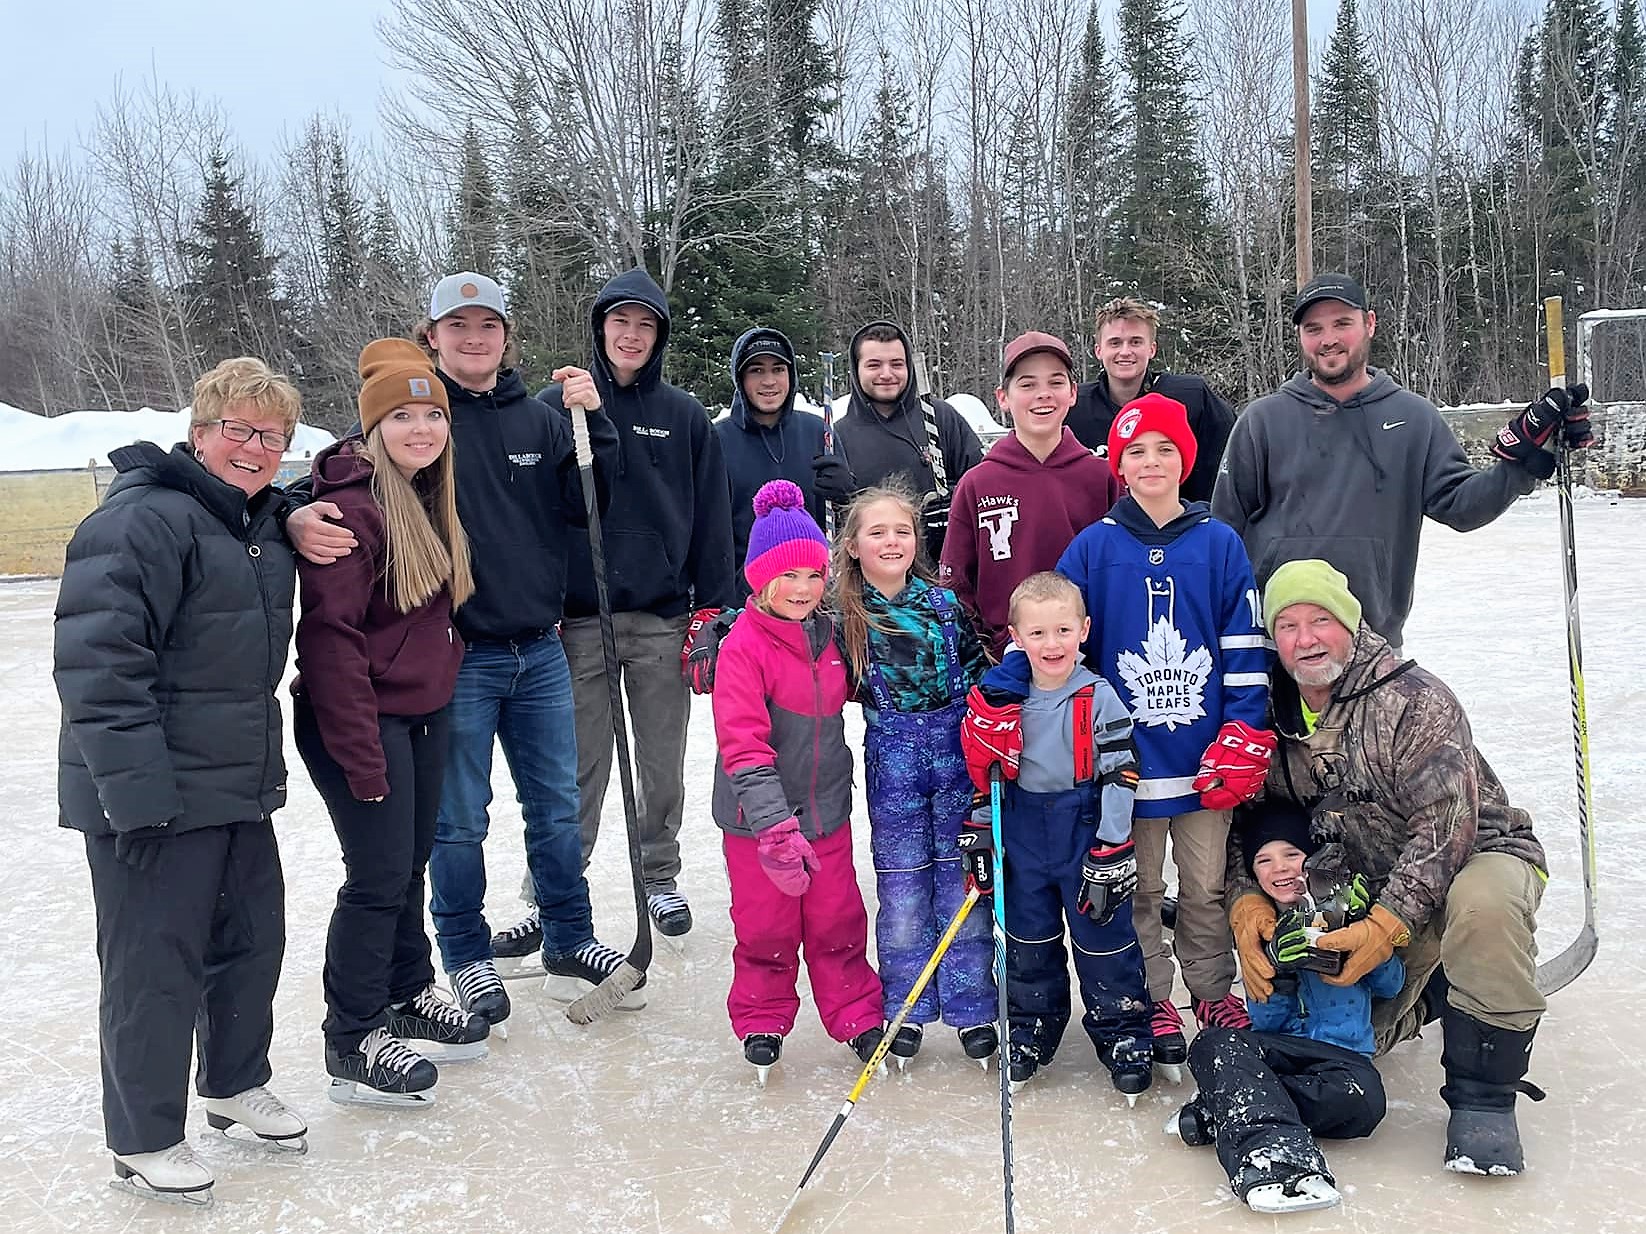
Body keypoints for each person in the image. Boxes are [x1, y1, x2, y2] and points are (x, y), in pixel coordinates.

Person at [286, 271, 624, 1024]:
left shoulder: (539, 420)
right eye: (458, 326)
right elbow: (339, 473)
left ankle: (570, 934)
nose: (474, 339)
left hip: (539, 649)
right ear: (431, 335)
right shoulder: (417, 416)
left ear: (507, 337)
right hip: (457, 656)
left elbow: (589, 504)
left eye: (488, 326)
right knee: (457, 820)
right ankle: (467, 955)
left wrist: (592, 425)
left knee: (557, 808)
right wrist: (292, 515)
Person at [54, 357, 307, 1206]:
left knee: (249, 943)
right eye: (238, 429)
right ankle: (143, 1136)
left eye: (271, 435)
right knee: (151, 967)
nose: (255, 447)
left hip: (235, 781)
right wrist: (136, 798)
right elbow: (98, 666)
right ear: (200, 433)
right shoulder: (140, 521)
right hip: (150, 793)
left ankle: (234, 1085)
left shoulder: (256, 521)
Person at [1229, 559, 1549, 1176]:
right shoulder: (1267, 709)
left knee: (1484, 912)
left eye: (1321, 620)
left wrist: (1385, 925)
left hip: (1474, 856)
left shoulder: (1415, 699)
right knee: (1347, 1041)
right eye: (1288, 625)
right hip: (1356, 879)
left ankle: (1484, 1099)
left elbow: (1445, 827)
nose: (1306, 639)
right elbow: (1251, 819)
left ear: (1351, 623)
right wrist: (1246, 900)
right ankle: (1430, 993)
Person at [292, 339, 489, 1107]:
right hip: (359, 721)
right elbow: (330, 640)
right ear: (373, 428)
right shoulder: (353, 513)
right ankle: (352, 1036)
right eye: (401, 416)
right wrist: (360, 754)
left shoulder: (426, 496)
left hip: (420, 713)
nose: (420, 429)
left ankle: (408, 991)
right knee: (374, 879)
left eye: (431, 415)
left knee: (407, 867)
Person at [1053, 391, 1271, 1074]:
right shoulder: (1093, 547)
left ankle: (1209, 992)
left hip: (1206, 761)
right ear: (1118, 464)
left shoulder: (1219, 543)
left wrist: (1245, 730)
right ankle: (1153, 1000)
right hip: (1130, 766)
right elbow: (1056, 639)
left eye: (1165, 450)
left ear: (1186, 459)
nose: (1151, 462)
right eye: (1137, 451)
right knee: (1141, 891)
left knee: (1203, 890)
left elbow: (1243, 645)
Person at [1212, 272, 1596, 650]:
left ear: (1369, 324)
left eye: (1342, 323)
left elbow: (1461, 507)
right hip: (1277, 643)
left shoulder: (1414, 418)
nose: (1328, 340)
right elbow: (1224, 533)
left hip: (1372, 643)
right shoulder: (1262, 420)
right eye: (1314, 329)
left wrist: (1523, 461)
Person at [542, 268, 738, 945]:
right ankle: (558, 885)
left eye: (645, 324)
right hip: (579, 621)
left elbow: (713, 516)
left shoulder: (683, 416)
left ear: (658, 337)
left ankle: (659, 873)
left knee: (661, 760)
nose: (631, 334)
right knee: (578, 765)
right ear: (600, 328)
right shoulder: (558, 406)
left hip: (661, 620)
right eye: (620, 321)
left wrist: (712, 611)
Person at [711, 480, 885, 1081]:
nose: (803, 590)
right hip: (758, 823)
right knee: (766, 925)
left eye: (814, 575)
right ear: (760, 579)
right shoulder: (743, 647)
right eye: (788, 577)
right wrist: (773, 829)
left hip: (828, 813)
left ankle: (858, 1015)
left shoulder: (833, 634)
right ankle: (762, 1015)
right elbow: (743, 743)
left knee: (838, 919)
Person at [958, 572, 1152, 1099]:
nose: (1052, 644)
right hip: (1021, 831)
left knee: (1104, 939)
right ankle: (1030, 1028)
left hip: (1083, 828)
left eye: (1063, 631)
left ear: (1084, 630)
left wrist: (1112, 845)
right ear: (1015, 637)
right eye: (1038, 633)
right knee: (1028, 939)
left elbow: (1119, 775)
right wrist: (980, 827)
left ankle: (1123, 1032)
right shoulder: (999, 698)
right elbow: (984, 770)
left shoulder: (1098, 697)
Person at [831, 485, 996, 1070]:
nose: (891, 541)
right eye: (876, 533)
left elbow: (982, 675)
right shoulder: (842, 614)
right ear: (852, 546)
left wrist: (998, 724)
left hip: (954, 749)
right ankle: (906, 1007)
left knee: (963, 882)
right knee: (902, 887)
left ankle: (974, 1006)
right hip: (893, 754)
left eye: (901, 531)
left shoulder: (944, 604)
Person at [1169, 798, 1400, 1214]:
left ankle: (1227, 1105)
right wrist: (1279, 969)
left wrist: (1363, 939)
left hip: (1341, 1060)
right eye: (1265, 860)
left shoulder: (1344, 914)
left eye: (1292, 855)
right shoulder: (1262, 929)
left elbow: (1391, 986)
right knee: (1212, 1044)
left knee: (1365, 1101)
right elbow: (1266, 1021)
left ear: (1312, 861)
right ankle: (1272, 1155)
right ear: (1254, 874)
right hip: (1280, 1053)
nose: (1280, 868)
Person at [939, 331, 1120, 655]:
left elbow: (1119, 573)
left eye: (1055, 382)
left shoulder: (1101, 477)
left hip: (1087, 665)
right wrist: (987, 653)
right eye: (1027, 384)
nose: (1043, 395)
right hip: (1004, 667)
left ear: (1072, 393)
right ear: (1003, 398)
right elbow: (957, 587)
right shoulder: (977, 483)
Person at [809, 320, 983, 562]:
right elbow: (825, 529)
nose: (887, 374)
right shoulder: (836, 438)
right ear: (856, 370)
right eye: (874, 365)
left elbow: (983, 485)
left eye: (896, 364)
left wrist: (954, 501)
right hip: (869, 580)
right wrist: (846, 501)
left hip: (940, 574)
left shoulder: (939, 417)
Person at [1067, 297, 1235, 502]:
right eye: (1115, 343)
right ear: (1098, 351)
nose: (1125, 351)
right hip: (1101, 528)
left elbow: (1227, 462)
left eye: (1136, 342)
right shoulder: (1074, 406)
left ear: (1152, 349)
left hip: (1177, 525)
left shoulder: (1191, 397)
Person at [715, 326, 828, 579]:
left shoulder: (818, 432)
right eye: (756, 370)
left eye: (778, 369)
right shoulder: (717, 440)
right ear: (740, 378)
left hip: (812, 589)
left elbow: (846, 519)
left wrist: (845, 493)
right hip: (744, 596)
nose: (769, 381)